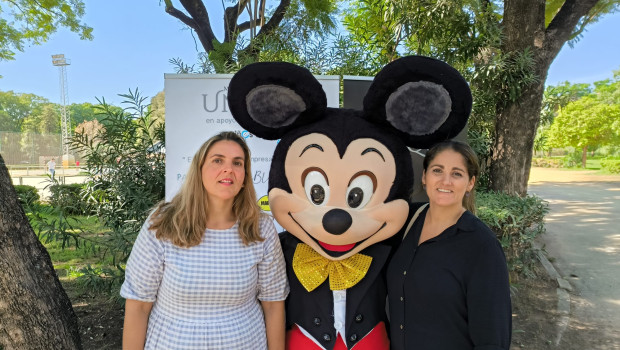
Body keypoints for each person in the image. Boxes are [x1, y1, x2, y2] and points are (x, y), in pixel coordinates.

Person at [121, 131, 289, 350]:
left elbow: (273, 304)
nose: (228, 168)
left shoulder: (260, 227)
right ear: (199, 169)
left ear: (245, 176)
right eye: (218, 160)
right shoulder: (163, 224)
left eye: (237, 163)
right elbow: (138, 306)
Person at [386, 140, 512, 350]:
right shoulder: (407, 221)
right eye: (438, 170)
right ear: (425, 177)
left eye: (456, 173)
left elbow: (493, 338)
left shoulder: (481, 246)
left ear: (470, 183)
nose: (446, 181)